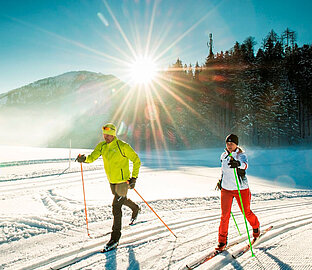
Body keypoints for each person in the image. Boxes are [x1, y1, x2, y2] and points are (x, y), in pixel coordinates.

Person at [76, 123, 141, 252]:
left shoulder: (122, 146)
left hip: (123, 182)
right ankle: (136, 208)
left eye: (108, 134)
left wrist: (134, 178)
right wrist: (84, 159)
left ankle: (115, 239)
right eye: (104, 134)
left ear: (113, 134)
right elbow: (92, 157)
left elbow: (136, 160)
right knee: (121, 201)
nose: (106, 136)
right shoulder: (102, 146)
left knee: (116, 208)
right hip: (112, 182)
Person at [215, 134, 260, 251]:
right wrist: (221, 180)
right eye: (228, 143)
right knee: (224, 216)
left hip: (241, 189)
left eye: (232, 144)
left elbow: (245, 165)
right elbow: (223, 170)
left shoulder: (241, 155)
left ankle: (256, 227)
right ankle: (222, 241)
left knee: (246, 212)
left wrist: (238, 164)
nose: (229, 146)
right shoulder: (223, 155)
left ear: (236, 144)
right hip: (226, 189)